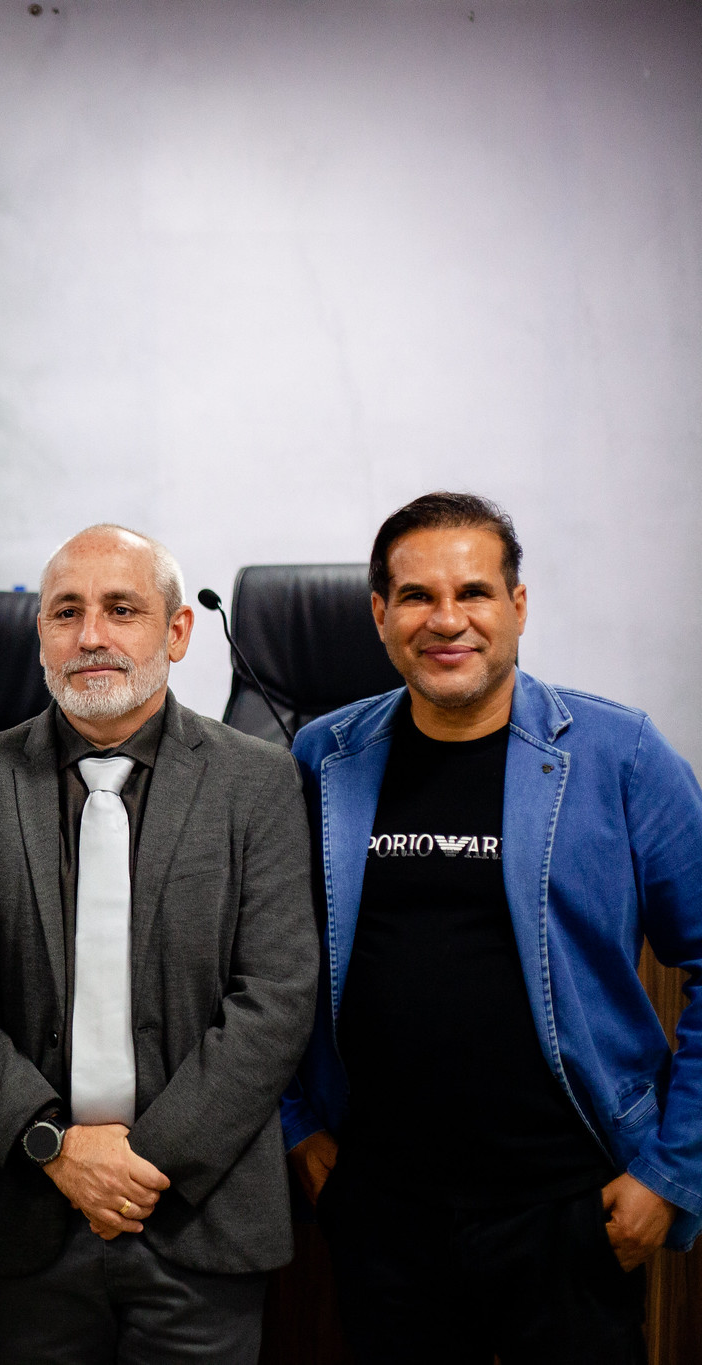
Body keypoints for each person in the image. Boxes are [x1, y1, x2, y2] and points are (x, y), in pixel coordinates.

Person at [282, 493, 702, 1363]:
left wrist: (671, 1173)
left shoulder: (620, 754)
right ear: (380, 613)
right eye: (417, 596)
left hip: (572, 1208)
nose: (447, 620)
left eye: (473, 591)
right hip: (382, 1212)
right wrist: (297, 1124)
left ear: (517, 605)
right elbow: (263, 958)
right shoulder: (323, 757)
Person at [0, 524, 318, 1364]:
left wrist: (138, 1165)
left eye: (121, 609)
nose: (91, 635)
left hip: (199, 1218)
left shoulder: (259, 779)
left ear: (177, 631)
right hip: (29, 1214)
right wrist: (54, 1146)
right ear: (42, 636)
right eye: (67, 612)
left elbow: (276, 995)